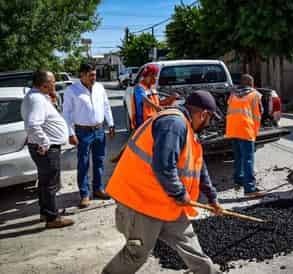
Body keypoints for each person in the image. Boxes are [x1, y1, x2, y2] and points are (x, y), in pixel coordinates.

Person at [102, 90, 223, 274]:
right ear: (203, 114)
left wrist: (212, 197)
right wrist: (180, 193)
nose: (209, 123)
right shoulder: (173, 124)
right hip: (140, 203)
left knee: (191, 247)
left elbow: (198, 166)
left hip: (164, 201)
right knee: (136, 254)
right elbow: (163, 166)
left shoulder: (187, 128)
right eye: (210, 119)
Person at [21, 70, 74, 229]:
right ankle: (52, 218)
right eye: (52, 81)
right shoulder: (36, 99)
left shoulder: (36, 96)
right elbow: (33, 124)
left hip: (43, 147)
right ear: (44, 84)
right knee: (50, 183)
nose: (55, 84)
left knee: (45, 183)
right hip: (46, 149)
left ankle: (46, 212)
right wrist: (45, 142)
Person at [63, 63, 115, 208]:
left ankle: (98, 189)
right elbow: (66, 113)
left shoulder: (99, 87)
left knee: (99, 161)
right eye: (91, 75)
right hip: (82, 132)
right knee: (83, 164)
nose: (94, 77)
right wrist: (71, 133)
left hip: (99, 130)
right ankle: (84, 194)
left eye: (94, 74)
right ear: (82, 75)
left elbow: (106, 105)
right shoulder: (71, 91)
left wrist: (110, 123)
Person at [225, 74, 266, 197]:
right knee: (248, 159)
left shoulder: (233, 94)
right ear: (252, 84)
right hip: (246, 130)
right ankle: (250, 189)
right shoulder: (255, 95)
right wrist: (255, 132)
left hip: (232, 130)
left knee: (238, 156)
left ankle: (239, 179)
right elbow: (257, 115)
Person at [130, 63, 178, 130]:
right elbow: (144, 99)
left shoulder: (152, 88)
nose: (156, 78)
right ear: (150, 75)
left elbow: (159, 103)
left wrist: (171, 99)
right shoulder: (139, 88)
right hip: (143, 125)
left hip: (153, 122)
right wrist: (157, 108)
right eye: (155, 75)